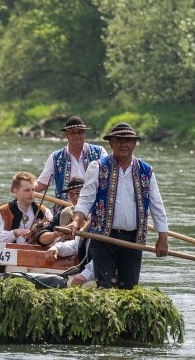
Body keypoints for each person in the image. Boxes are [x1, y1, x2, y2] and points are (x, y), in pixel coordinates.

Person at [64, 122, 169, 290]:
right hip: (103, 238)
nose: (123, 144)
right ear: (111, 144)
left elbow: (157, 205)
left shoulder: (146, 171)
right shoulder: (98, 167)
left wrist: (163, 237)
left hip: (133, 239)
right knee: (105, 286)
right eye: (118, 140)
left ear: (134, 144)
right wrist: (76, 222)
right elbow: (85, 200)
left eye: (128, 140)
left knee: (129, 288)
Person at [35, 116, 107, 219]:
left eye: (80, 132)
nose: (77, 135)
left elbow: (107, 180)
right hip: (65, 211)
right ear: (67, 135)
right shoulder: (56, 157)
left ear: (84, 134)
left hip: (94, 211)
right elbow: (42, 183)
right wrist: (25, 188)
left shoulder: (99, 152)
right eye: (73, 132)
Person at [0, 171, 52, 245]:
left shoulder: (44, 211)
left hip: (36, 253)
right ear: (16, 192)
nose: (31, 193)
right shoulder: (5, 210)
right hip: (11, 253)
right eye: (27, 190)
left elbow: (53, 236)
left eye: (33, 189)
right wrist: (14, 233)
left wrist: (46, 225)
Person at [35, 176, 85, 246]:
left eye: (77, 193)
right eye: (71, 193)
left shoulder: (97, 214)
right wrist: (54, 234)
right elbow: (40, 238)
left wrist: (81, 223)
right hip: (64, 252)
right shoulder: (65, 212)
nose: (74, 197)